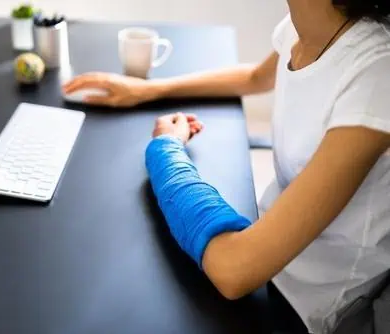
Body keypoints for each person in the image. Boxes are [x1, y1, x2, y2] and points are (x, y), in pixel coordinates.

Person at [64, 0, 390, 333]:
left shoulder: (376, 75)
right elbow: (254, 77)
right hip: (266, 246)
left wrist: (166, 151)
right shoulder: (306, 23)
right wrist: (149, 90)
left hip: (303, 305)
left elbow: (234, 271)